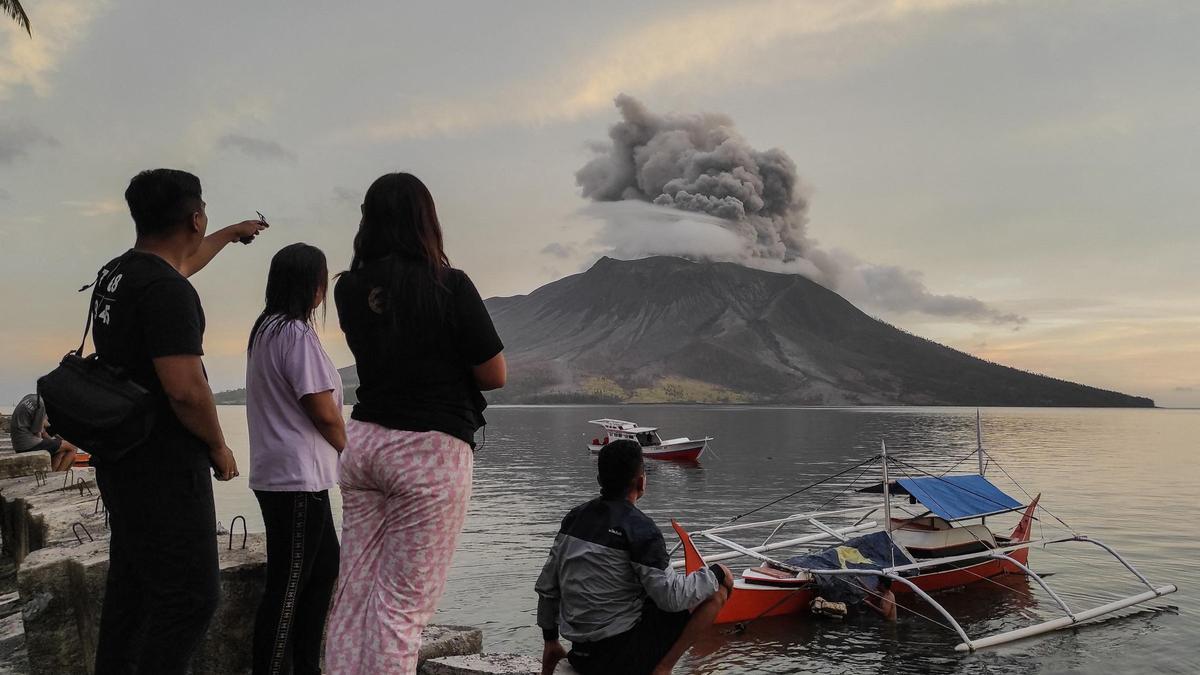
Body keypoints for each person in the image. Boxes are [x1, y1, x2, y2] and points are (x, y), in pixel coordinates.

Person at [324, 172, 506, 674]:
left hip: (363, 443)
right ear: (426, 220)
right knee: (401, 609)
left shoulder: (349, 288)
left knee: (354, 594)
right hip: (429, 451)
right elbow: (494, 374)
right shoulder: (449, 284)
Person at [91, 168, 267, 674]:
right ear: (194, 217)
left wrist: (231, 235)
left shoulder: (118, 274)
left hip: (122, 458)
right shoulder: (167, 292)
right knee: (192, 596)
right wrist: (218, 446)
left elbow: (181, 264)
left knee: (133, 588)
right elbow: (186, 391)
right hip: (164, 465)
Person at [535, 440, 733, 675]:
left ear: (600, 481)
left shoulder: (574, 519)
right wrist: (716, 572)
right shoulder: (640, 529)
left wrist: (551, 641)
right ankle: (663, 669)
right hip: (621, 658)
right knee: (717, 589)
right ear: (641, 482)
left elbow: (548, 587)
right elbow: (671, 597)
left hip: (582, 655)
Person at [246, 243, 344, 675]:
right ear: (312, 286)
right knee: (288, 586)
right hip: (296, 477)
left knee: (324, 571)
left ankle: (308, 667)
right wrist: (352, 448)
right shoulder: (295, 334)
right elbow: (321, 409)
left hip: (286, 474)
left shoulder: (266, 328)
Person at [8, 393, 81, 470]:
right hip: (28, 444)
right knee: (73, 447)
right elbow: (37, 432)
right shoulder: (41, 405)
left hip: (18, 444)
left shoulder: (30, 397)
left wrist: (56, 443)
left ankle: (54, 475)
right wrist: (55, 442)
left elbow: (41, 430)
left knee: (62, 451)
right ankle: (59, 477)